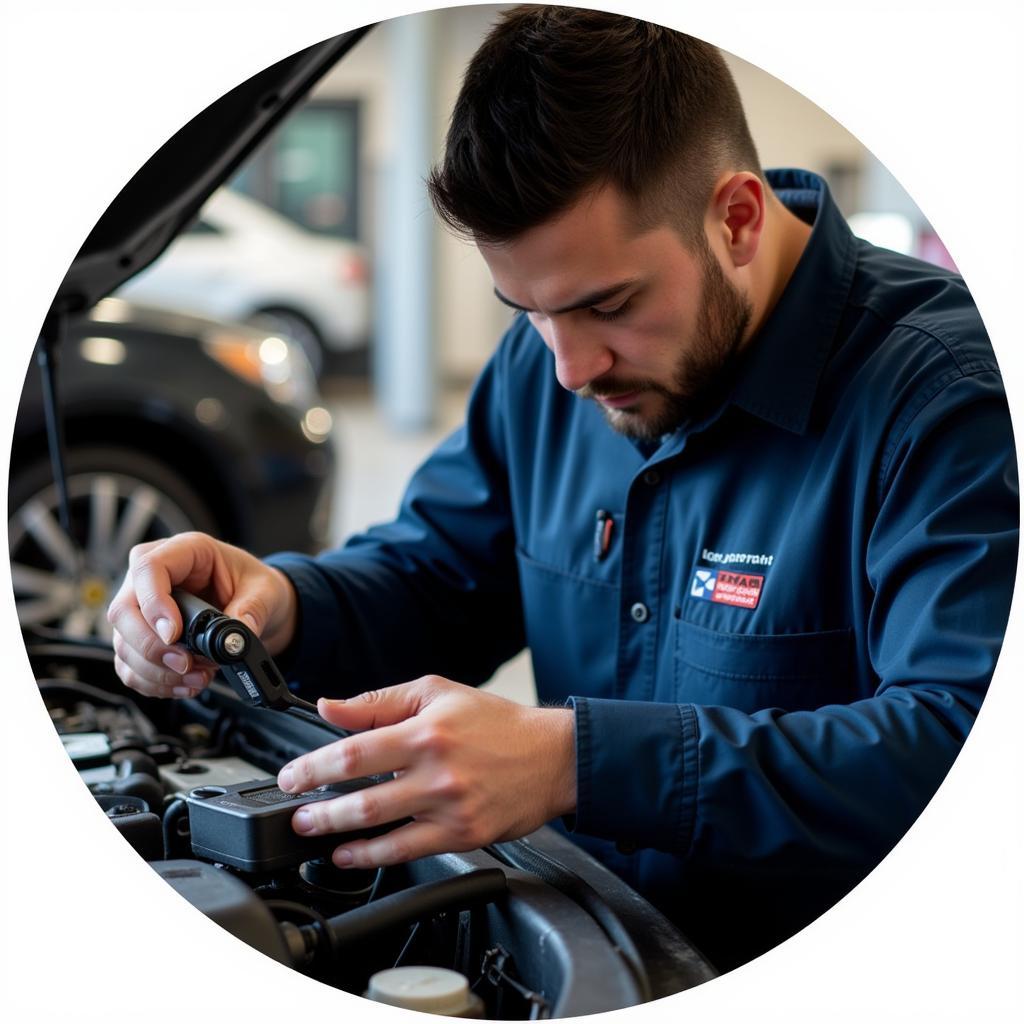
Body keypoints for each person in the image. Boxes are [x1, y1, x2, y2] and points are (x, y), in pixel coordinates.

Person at [107, 7, 1017, 971]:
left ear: (738, 218)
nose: (572, 369)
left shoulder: (947, 398)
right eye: (527, 310)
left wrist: (574, 764)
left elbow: (959, 743)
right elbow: (442, 573)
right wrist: (282, 603)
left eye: (608, 304)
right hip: (592, 949)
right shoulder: (542, 364)